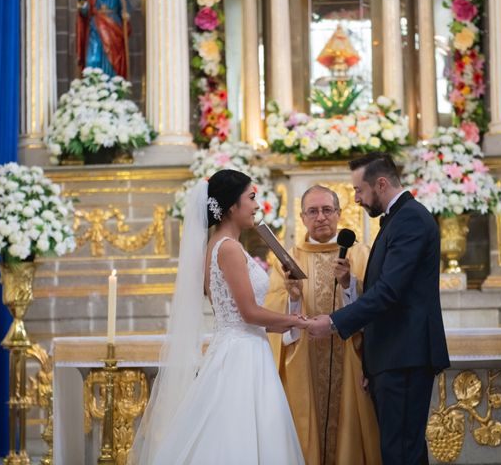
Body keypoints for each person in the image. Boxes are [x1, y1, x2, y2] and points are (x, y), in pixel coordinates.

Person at [130, 170, 306, 464]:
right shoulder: (230, 249)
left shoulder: (219, 246)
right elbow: (249, 313)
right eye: (250, 198)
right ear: (230, 206)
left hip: (241, 347)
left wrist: (292, 300)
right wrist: (298, 321)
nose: (256, 206)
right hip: (242, 354)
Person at [307, 152, 450, 464]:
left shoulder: (409, 218)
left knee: (400, 453)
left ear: (381, 183)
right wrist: (373, 362)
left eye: (359, 190)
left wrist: (333, 322)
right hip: (394, 355)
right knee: (402, 450)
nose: (356, 198)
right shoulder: (398, 218)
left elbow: (389, 292)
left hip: (405, 355)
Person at [264, 185, 381, 465]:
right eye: (313, 211)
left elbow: (376, 306)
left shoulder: (361, 254)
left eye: (327, 210)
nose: (321, 217)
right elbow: (272, 313)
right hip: (304, 363)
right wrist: (292, 300)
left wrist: (349, 285)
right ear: (302, 217)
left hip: (352, 361)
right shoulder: (286, 259)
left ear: (339, 214)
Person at [76, 0, 131, 78]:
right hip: (95, 29)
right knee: (92, 60)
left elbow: (125, 8)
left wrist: (125, 14)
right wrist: (82, 2)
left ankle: (113, 87)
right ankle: (92, 86)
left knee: (112, 61)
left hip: (113, 29)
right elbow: (85, 13)